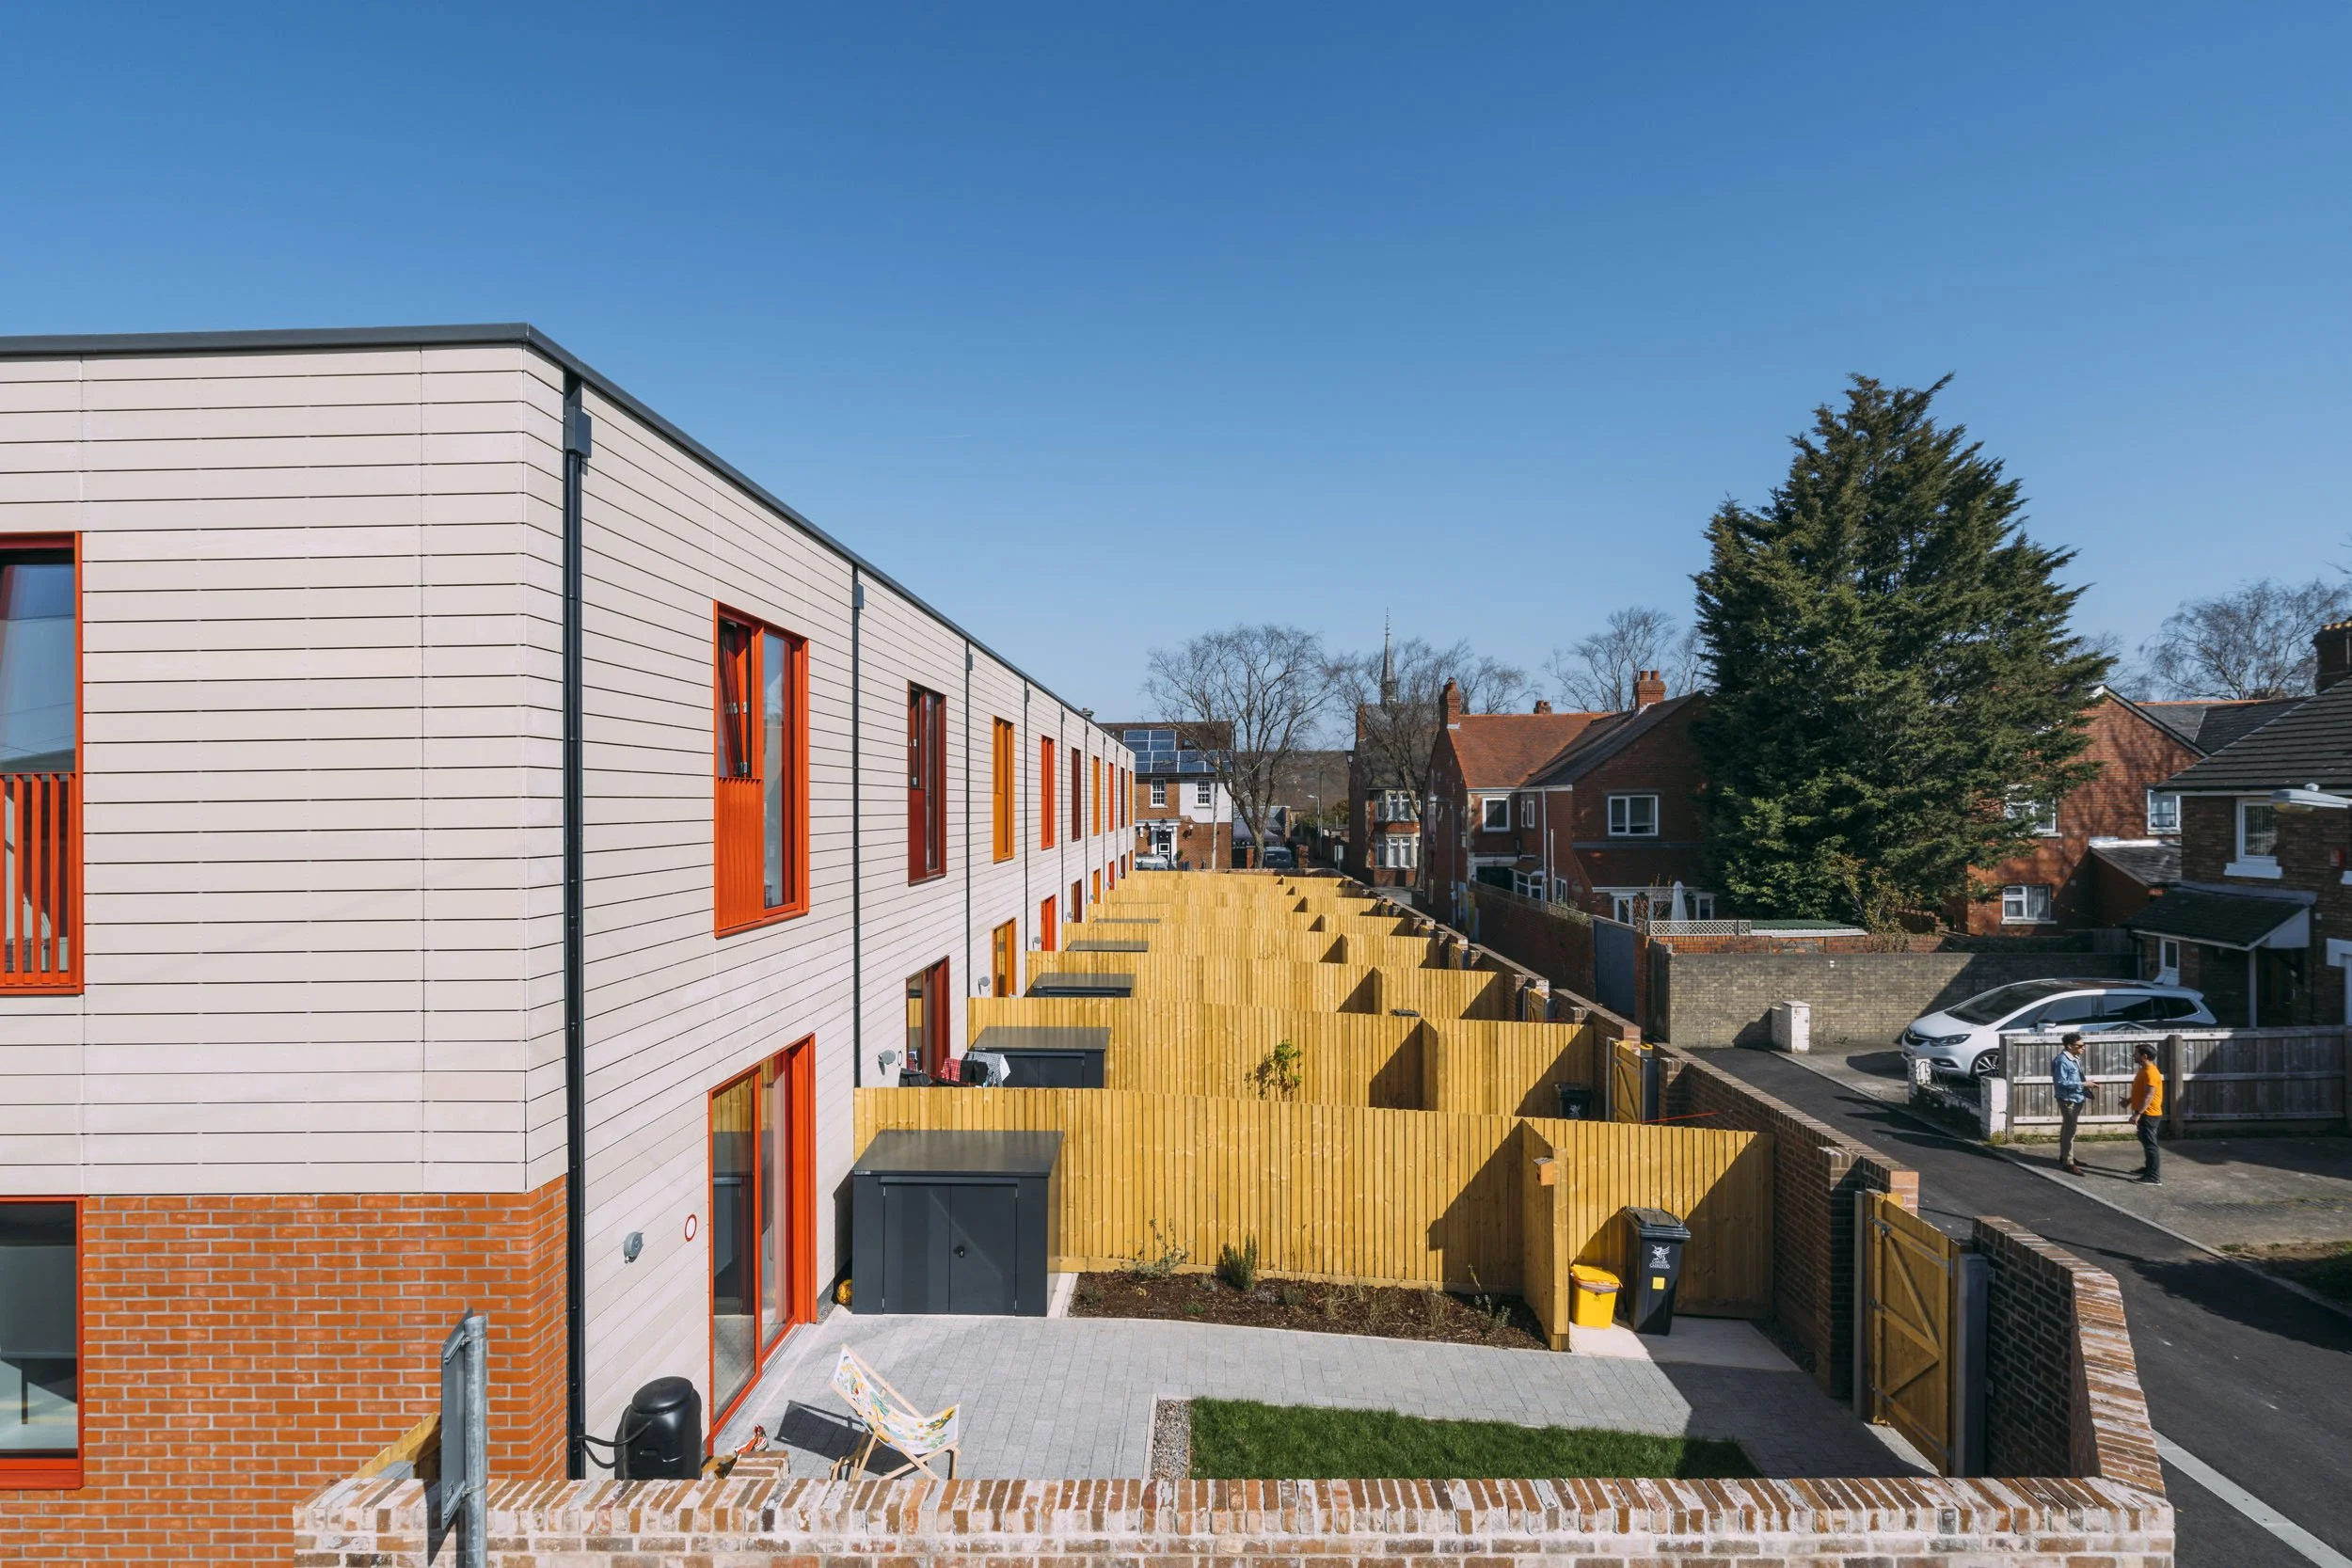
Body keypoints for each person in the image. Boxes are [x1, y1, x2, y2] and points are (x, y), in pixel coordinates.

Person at [2052, 1033, 2090, 1175]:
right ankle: (2068, 1162)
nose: (2083, 1048)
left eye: (2083, 1045)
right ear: (2069, 1046)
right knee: (2070, 1131)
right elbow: (2061, 1082)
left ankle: (2066, 1156)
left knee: (2068, 1128)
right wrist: (2084, 1084)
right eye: (2080, 1045)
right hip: (2068, 1100)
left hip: (2076, 1098)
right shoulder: (2062, 1061)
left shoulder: (2074, 1058)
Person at [2129, 1042, 2166, 1184]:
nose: (2134, 1055)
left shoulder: (2150, 1072)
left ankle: (2153, 1177)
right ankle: (2148, 1168)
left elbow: (2149, 1096)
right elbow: (2141, 1091)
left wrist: (2137, 1113)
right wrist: (2129, 1100)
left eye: (2136, 1053)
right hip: (2146, 1113)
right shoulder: (2144, 1069)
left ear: (2144, 1056)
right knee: (2145, 1140)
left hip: (2150, 1114)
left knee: (2150, 1144)